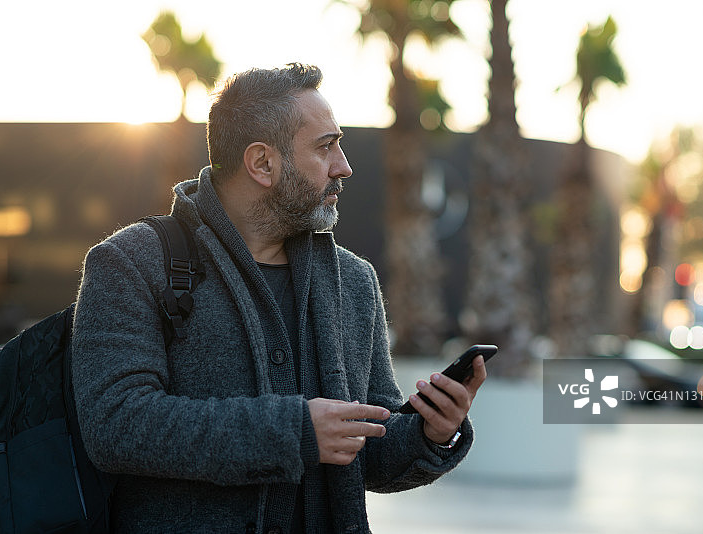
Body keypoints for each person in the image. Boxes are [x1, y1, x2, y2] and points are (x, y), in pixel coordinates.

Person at [71, 62, 486, 534]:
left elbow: (368, 452)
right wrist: (296, 432)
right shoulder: (132, 261)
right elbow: (116, 426)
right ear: (263, 163)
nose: (343, 167)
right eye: (325, 146)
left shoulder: (354, 281)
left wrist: (431, 432)